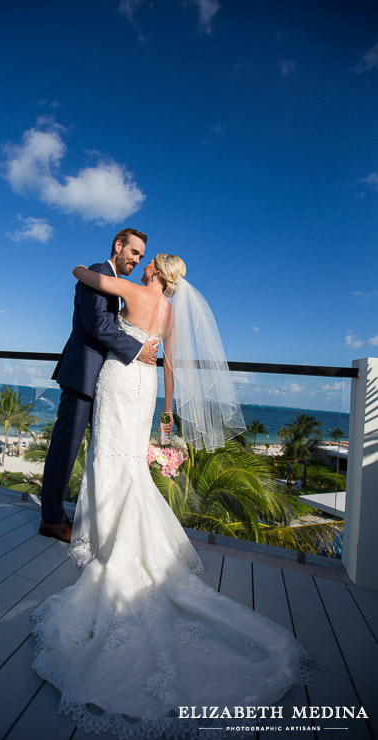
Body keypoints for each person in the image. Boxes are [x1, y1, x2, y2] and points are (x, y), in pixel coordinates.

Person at [32, 254, 311, 738]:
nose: (142, 268)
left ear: (156, 273)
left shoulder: (136, 294)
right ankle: (118, 527)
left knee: (106, 454)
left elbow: (88, 278)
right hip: (145, 391)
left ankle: (101, 531)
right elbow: (171, 364)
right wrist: (166, 411)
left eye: (148, 263)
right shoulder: (173, 312)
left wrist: (80, 269)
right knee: (129, 461)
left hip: (118, 379)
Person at [38, 228, 159, 543]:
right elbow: (97, 325)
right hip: (82, 374)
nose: (137, 259)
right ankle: (51, 519)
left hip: (101, 379)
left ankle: (90, 515)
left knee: (99, 448)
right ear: (118, 246)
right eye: (134, 252)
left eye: (141, 257)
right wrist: (137, 349)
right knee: (66, 448)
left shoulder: (113, 282)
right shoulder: (98, 273)